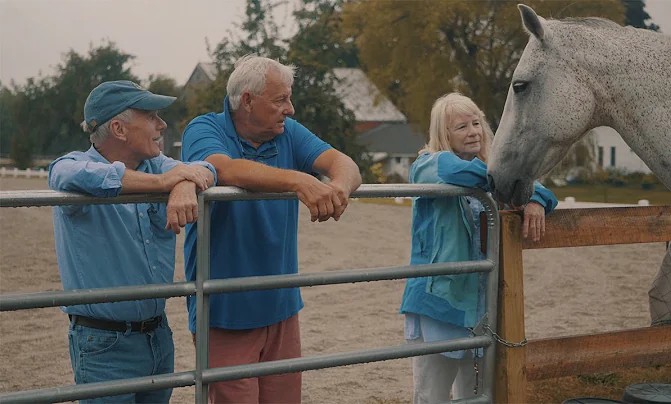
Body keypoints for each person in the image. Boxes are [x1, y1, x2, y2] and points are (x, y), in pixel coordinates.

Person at [181, 54, 362, 404]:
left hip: (282, 307)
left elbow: (344, 162)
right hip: (224, 314)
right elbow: (225, 169)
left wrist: (339, 187)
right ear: (247, 100)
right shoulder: (204, 129)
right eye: (281, 100)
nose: (290, 109)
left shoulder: (288, 133)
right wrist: (299, 180)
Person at [48, 80, 217, 403]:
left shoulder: (159, 165)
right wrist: (162, 182)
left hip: (158, 336)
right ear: (118, 128)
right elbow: (63, 174)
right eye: (151, 116)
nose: (162, 124)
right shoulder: (75, 167)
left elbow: (206, 168)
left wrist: (181, 185)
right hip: (103, 344)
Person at [399, 92, 558, 404]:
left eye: (476, 123)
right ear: (443, 134)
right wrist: (510, 177)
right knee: (432, 393)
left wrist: (536, 200)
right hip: (438, 300)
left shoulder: (489, 173)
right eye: (461, 127)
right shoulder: (427, 165)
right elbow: (451, 170)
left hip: (479, 300)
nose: (473, 131)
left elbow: (543, 191)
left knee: (474, 392)